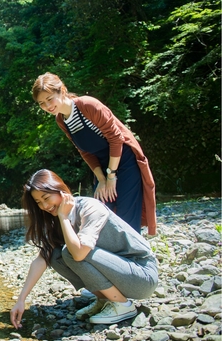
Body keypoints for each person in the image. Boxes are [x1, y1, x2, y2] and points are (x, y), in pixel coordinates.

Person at [10, 169, 158, 329]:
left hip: (142, 276)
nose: (44, 206)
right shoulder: (56, 219)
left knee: (71, 252)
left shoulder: (89, 207)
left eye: (46, 198)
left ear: (60, 189)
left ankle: (122, 305)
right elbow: (41, 259)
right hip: (120, 274)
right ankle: (105, 300)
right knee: (55, 255)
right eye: (39, 203)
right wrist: (21, 300)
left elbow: (79, 254)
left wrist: (63, 217)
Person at [32, 72, 157, 235]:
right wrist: (101, 179)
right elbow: (84, 151)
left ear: (62, 91)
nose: (48, 106)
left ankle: (138, 256)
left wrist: (111, 176)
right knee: (102, 213)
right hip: (103, 167)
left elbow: (116, 138)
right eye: (42, 103)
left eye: (50, 99)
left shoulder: (87, 105)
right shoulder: (61, 120)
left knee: (127, 217)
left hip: (124, 161)